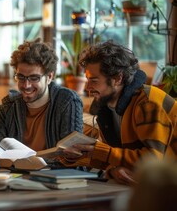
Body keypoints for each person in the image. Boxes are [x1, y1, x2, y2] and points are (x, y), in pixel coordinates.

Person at [67, 40, 177, 185]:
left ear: (117, 78)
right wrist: (73, 157)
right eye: (87, 80)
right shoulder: (106, 107)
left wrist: (103, 152)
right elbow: (116, 158)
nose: (87, 87)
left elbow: (153, 161)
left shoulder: (148, 103)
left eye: (94, 80)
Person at [0, 38, 83, 163]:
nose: (26, 85)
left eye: (34, 78)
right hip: (16, 177)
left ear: (49, 77)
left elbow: (73, 157)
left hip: (56, 177)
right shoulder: (9, 105)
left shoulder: (67, 101)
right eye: (21, 77)